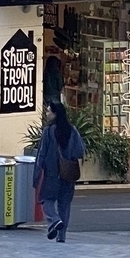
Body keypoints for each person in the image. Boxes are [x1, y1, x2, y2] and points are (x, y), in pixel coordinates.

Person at [32, 99, 86, 243]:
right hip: (68, 173)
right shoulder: (72, 130)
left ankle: (54, 221)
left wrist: (36, 176)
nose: (47, 113)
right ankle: (61, 236)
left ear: (55, 114)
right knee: (65, 204)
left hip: (52, 173)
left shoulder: (48, 131)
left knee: (45, 200)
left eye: (49, 111)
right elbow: (80, 151)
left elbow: (41, 155)